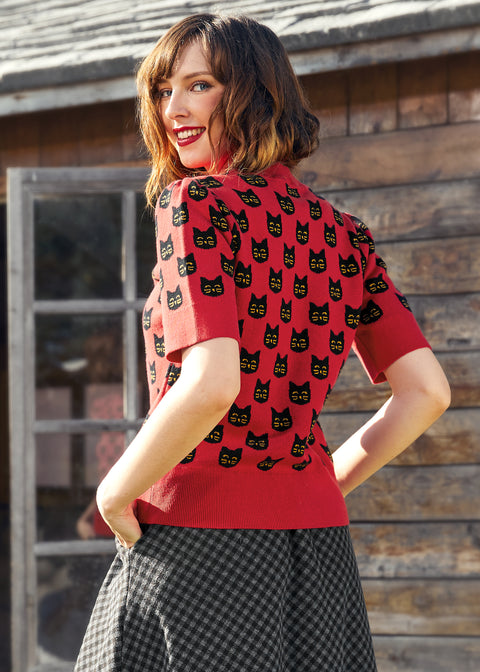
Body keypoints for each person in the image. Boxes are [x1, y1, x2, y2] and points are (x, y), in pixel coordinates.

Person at [75, 13, 450, 672]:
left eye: (199, 86)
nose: (172, 109)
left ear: (255, 92)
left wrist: (113, 491)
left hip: (195, 541)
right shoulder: (344, 233)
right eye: (163, 90)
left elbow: (212, 384)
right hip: (318, 552)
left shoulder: (195, 205)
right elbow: (427, 393)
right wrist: (317, 487)